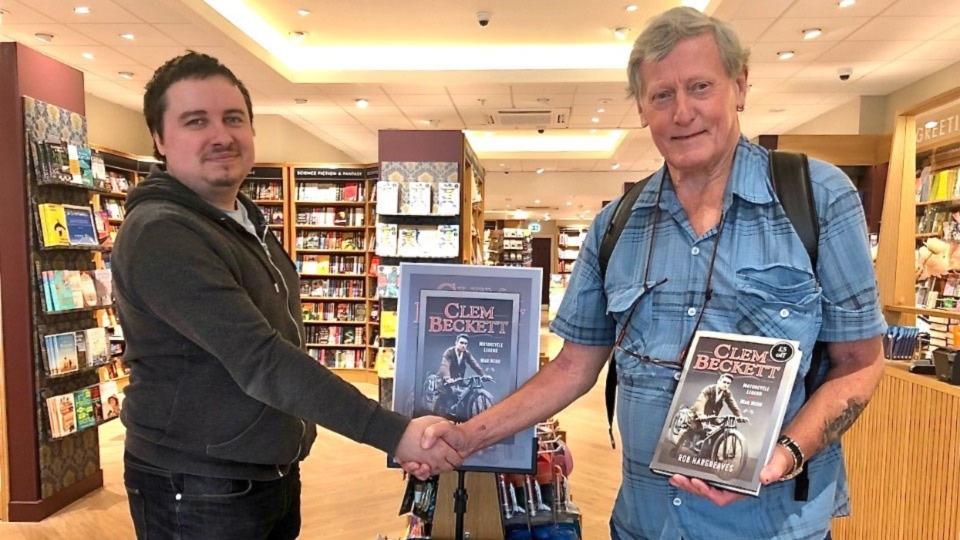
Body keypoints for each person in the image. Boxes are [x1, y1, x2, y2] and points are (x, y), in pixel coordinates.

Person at [414, 7, 886, 539]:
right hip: (645, 523)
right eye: (662, 95)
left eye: (700, 86)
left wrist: (783, 456)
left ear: (740, 86)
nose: (682, 112)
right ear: (642, 107)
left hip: (772, 526)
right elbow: (573, 366)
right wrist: (465, 437)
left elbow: (859, 365)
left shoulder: (818, 199)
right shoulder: (616, 225)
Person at [111, 51, 459, 540]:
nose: (221, 135)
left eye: (234, 118)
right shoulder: (163, 234)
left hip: (261, 470)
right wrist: (392, 432)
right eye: (196, 121)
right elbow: (262, 359)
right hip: (198, 483)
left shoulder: (244, 221)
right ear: (160, 139)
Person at [678, 374, 745, 455]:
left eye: (728, 383)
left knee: (716, 431)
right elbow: (700, 402)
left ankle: (710, 452)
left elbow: (733, 404)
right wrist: (700, 414)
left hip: (711, 416)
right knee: (692, 429)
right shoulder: (709, 389)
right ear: (718, 381)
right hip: (697, 414)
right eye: (724, 382)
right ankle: (676, 448)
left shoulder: (726, 393)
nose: (726, 385)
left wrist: (739, 416)